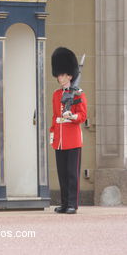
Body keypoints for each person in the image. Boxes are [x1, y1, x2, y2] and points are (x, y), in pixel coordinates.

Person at [50, 47, 87, 214]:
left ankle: (73, 204)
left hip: (73, 140)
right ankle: (64, 204)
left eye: (63, 75)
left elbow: (83, 116)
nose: (60, 77)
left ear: (70, 76)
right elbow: (54, 117)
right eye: (58, 75)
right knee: (62, 174)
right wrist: (52, 135)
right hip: (60, 140)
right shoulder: (56, 94)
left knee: (72, 174)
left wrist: (72, 116)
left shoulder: (78, 93)